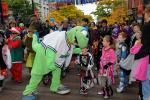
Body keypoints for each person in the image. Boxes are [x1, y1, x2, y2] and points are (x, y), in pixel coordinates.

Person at [22, 24, 89, 100]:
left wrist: (81, 50)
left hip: (55, 58)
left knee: (57, 70)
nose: (75, 42)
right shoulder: (60, 37)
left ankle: (55, 86)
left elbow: (70, 51)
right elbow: (50, 48)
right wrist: (50, 63)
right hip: (43, 54)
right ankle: (28, 92)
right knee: (37, 74)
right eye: (76, 40)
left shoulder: (70, 41)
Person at [135, 5, 150, 100]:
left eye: (145, 12)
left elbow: (146, 46)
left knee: (146, 86)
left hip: (148, 60)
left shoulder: (147, 26)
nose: (144, 14)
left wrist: (137, 55)